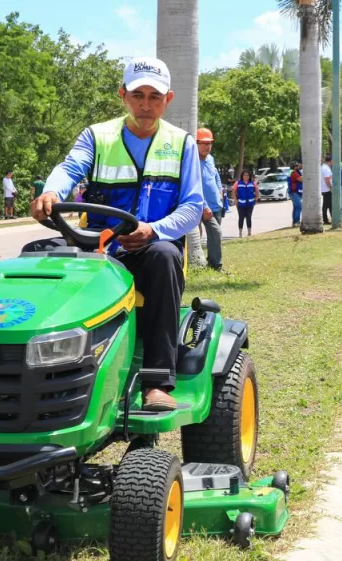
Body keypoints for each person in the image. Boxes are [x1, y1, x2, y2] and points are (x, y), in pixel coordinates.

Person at [32, 56, 204, 412]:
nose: (145, 104)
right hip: (98, 246)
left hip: (150, 248)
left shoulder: (183, 144)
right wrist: (52, 192)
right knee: (37, 252)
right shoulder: (97, 136)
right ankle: (37, 367)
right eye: (137, 94)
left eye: (154, 97)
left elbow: (191, 208)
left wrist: (153, 230)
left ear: (167, 100)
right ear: (122, 95)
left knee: (166, 258)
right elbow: (70, 167)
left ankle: (156, 382)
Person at [196, 127, 224, 270]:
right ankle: (217, 265)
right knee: (217, 233)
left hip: (216, 204)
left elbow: (216, 176)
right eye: (204, 143)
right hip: (203, 206)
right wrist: (204, 206)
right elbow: (196, 186)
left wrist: (220, 190)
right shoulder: (193, 161)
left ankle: (212, 263)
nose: (207, 146)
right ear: (196, 144)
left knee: (214, 236)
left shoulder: (211, 159)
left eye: (209, 143)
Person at [233, 169, 258, 237]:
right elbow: (233, 191)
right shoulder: (238, 183)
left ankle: (249, 232)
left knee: (249, 217)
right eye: (244, 175)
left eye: (247, 175)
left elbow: (257, 191)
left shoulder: (253, 183)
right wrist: (235, 200)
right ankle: (240, 232)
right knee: (241, 217)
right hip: (241, 204)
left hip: (250, 203)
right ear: (242, 176)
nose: (246, 176)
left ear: (249, 176)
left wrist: (256, 199)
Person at [289, 162, 303, 228]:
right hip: (294, 192)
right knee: (299, 207)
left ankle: (294, 222)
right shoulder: (294, 173)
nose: (299, 167)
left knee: (295, 207)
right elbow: (301, 180)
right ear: (295, 167)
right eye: (298, 166)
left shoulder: (293, 172)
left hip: (295, 192)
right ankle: (297, 222)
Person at [321, 155, 334, 225]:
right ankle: (325, 220)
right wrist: (331, 188)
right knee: (327, 205)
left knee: (328, 205)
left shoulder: (323, 167)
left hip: (325, 189)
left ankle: (331, 218)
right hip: (327, 189)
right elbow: (327, 180)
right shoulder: (326, 168)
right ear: (331, 160)